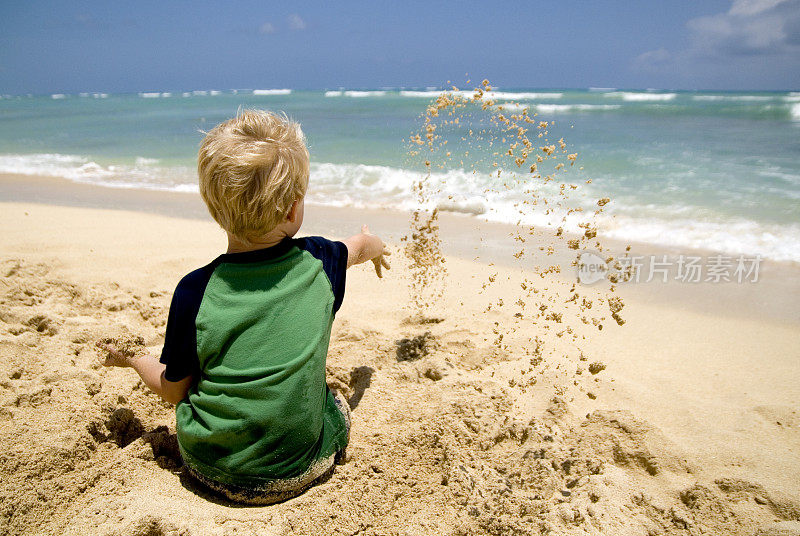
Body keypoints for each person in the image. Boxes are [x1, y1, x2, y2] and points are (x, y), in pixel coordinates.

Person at [96, 109, 390, 504]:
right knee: (331, 401)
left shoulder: (194, 291)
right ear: (292, 209)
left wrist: (134, 359)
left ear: (214, 207)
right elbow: (361, 246)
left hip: (208, 468)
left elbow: (172, 390)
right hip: (300, 469)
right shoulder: (323, 261)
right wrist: (375, 247)